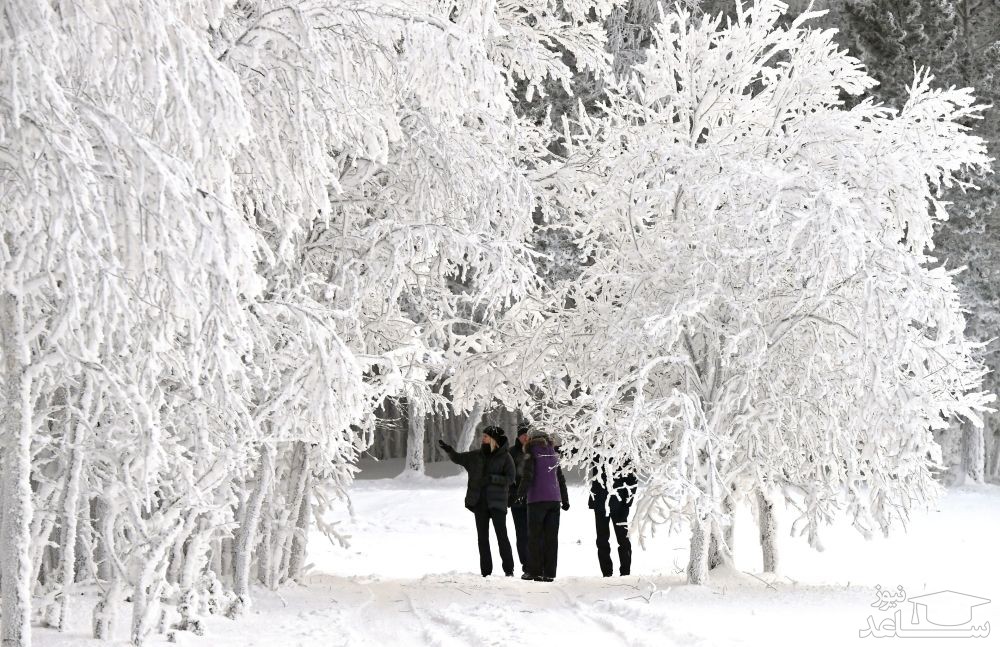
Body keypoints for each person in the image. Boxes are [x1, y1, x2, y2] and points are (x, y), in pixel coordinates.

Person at [438, 427, 516, 577]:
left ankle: (509, 570)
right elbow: (459, 458)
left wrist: (493, 478)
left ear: (494, 439)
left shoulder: (506, 458)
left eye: (486, 436)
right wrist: (449, 450)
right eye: (483, 436)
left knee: (502, 536)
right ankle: (486, 572)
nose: (483, 438)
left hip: (498, 503)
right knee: (482, 538)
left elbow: (511, 478)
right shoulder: (476, 456)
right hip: (480, 502)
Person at [517, 431, 569, 582]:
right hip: (554, 501)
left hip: (537, 501)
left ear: (532, 440)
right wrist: (564, 499)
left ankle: (535, 572)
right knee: (551, 538)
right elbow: (560, 478)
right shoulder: (552, 454)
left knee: (535, 537)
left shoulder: (531, 453)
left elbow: (528, 476)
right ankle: (549, 573)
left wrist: (520, 494)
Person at [589, 458, 637, 577]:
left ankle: (611, 572)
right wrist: (628, 501)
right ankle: (619, 572)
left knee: (606, 539)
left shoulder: (598, 452)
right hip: (613, 503)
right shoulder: (601, 453)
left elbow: (632, 479)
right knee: (617, 539)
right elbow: (632, 480)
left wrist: (628, 501)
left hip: (608, 503)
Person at [508, 423, 530, 572]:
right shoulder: (510, 453)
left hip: (534, 499)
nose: (526, 437)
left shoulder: (535, 452)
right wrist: (511, 495)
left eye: (528, 435)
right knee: (521, 534)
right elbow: (508, 476)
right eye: (523, 435)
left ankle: (535, 563)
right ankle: (525, 564)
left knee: (534, 533)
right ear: (518, 436)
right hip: (516, 500)